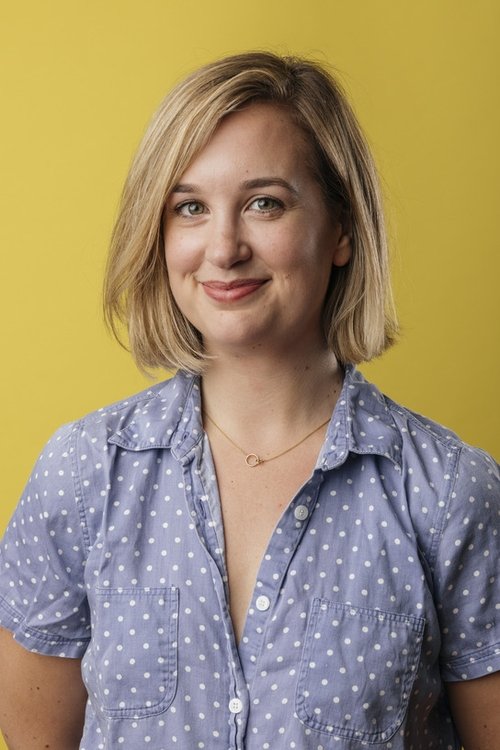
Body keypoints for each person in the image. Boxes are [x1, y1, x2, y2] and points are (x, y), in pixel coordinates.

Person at [0, 51, 498, 750]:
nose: (224, 247)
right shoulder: (83, 475)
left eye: (266, 203)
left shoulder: (450, 494)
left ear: (342, 229)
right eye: (191, 208)